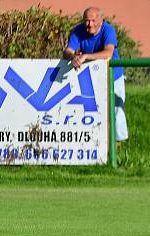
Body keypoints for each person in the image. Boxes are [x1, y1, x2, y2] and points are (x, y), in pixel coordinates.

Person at [63, 6, 128, 142]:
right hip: (92, 77)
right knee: (93, 110)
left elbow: (108, 53)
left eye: (93, 21)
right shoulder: (79, 30)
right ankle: (96, 142)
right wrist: (73, 56)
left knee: (116, 109)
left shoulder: (108, 30)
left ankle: (119, 144)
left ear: (100, 21)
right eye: (87, 21)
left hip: (113, 75)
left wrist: (85, 56)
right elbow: (68, 51)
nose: (89, 24)